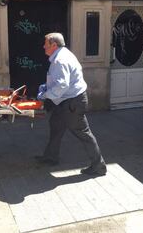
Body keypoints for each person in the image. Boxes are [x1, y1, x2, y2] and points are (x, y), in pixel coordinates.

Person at [35, 32, 107, 176]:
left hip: (72, 103)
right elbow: (61, 81)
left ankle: (99, 165)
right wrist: (47, 86)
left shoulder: (59, 60)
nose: (43, 46)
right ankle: (51, 157)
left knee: (83, 133)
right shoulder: (63, 54)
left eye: (46, 44)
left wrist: (44, 95)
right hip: (66, 101)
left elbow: (62, 85)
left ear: (54, 45)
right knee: (56, 126)